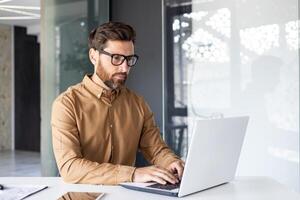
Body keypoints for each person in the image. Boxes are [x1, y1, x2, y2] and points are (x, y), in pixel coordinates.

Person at [51, 22, 185, 185]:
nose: (124, 67)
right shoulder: (66, 104)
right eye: (116, 58)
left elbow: (156, 149)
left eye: (130, 59)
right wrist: (133, 174)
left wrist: (171, 162)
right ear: (94, 56)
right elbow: (70, 168)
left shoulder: (138, 104)